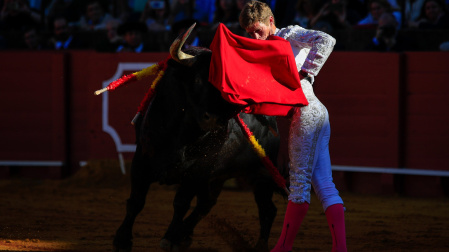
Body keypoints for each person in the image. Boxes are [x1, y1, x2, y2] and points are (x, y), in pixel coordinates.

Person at [238, 1, 347, 251]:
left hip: (306, 113)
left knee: (298, 187)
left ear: (271, 22)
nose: (255, 36)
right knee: (325, 186)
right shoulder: (262, 48)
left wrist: (307, 74)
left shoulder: (288, 34)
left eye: (258, 30)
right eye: (249, 32)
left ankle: (281, 249)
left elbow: (326, 39)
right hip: (316, 112)